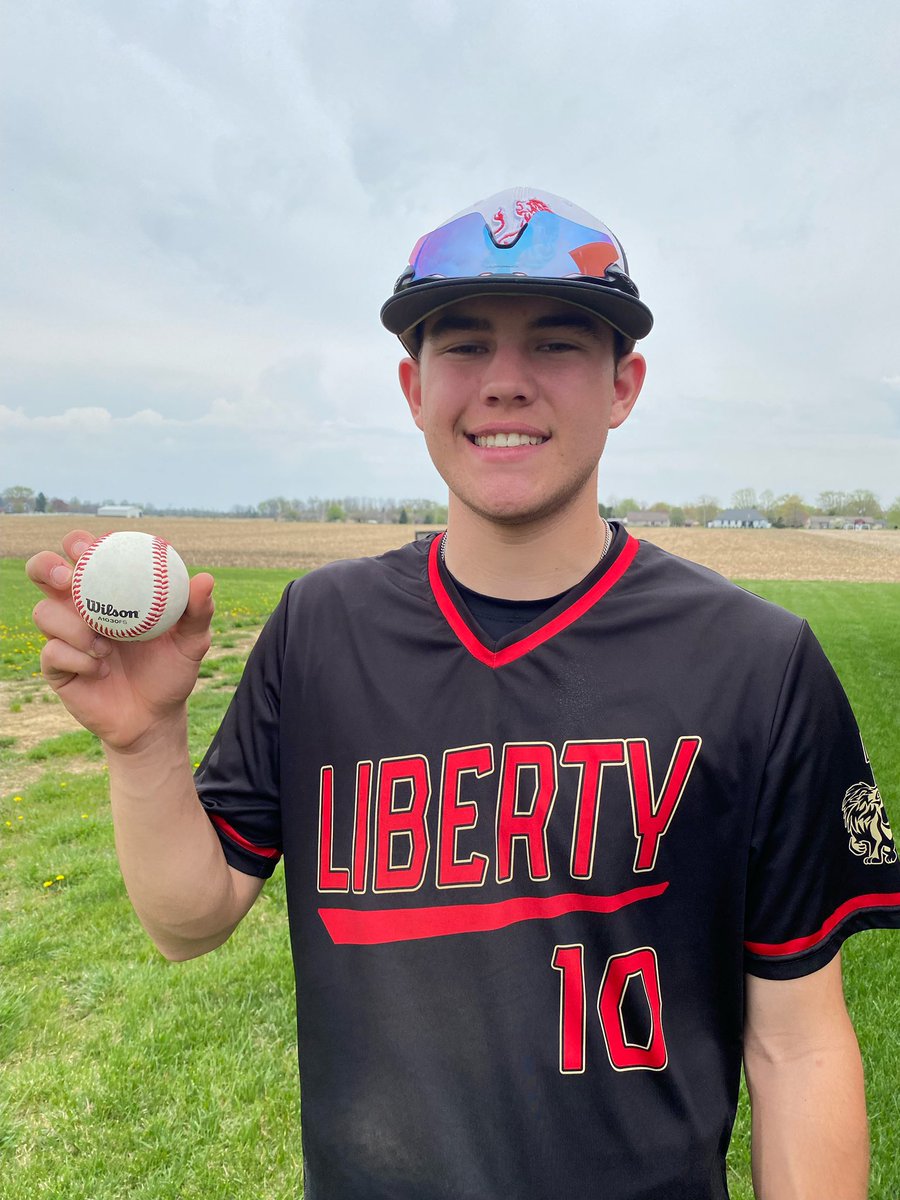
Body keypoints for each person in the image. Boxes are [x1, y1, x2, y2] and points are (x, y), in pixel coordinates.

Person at [28, 187, 900, 1199]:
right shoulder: (321, 632)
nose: (507, 383)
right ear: (413, 386)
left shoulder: (756, 662)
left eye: (561, 345)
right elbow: (188, 922)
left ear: (626, 383)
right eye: (467, 345)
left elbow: (797, 1048)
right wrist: (145, 746)